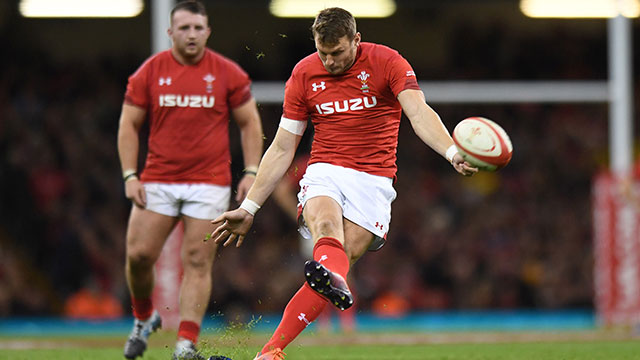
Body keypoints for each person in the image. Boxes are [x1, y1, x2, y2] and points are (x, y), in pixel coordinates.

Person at [210, 7, 477, 360]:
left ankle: (328, 282)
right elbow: (283, 146)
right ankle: (269, 353)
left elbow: (418, 111)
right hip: (326, 169)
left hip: (374, 180)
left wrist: (451, 151)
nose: (330, 61)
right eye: (324, 53)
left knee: (336, 262)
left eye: (338, 53)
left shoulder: (388, 62)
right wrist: (249, 208)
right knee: (325, 228)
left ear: (357, 40)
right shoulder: (304, 74)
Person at [117, 1, 263, 359]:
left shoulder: (227, 73)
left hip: (208, 182)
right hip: (158, 180)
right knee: (138, 256)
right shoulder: (150, 72)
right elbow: (128, 125)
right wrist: (130, 174)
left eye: (198, 27)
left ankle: (185, 344)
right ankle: (143, 317)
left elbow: (250, 123)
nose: (192, 34)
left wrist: (251, 172)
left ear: (208, 32)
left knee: (197, 260)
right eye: (184, 28)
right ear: (171, 33)